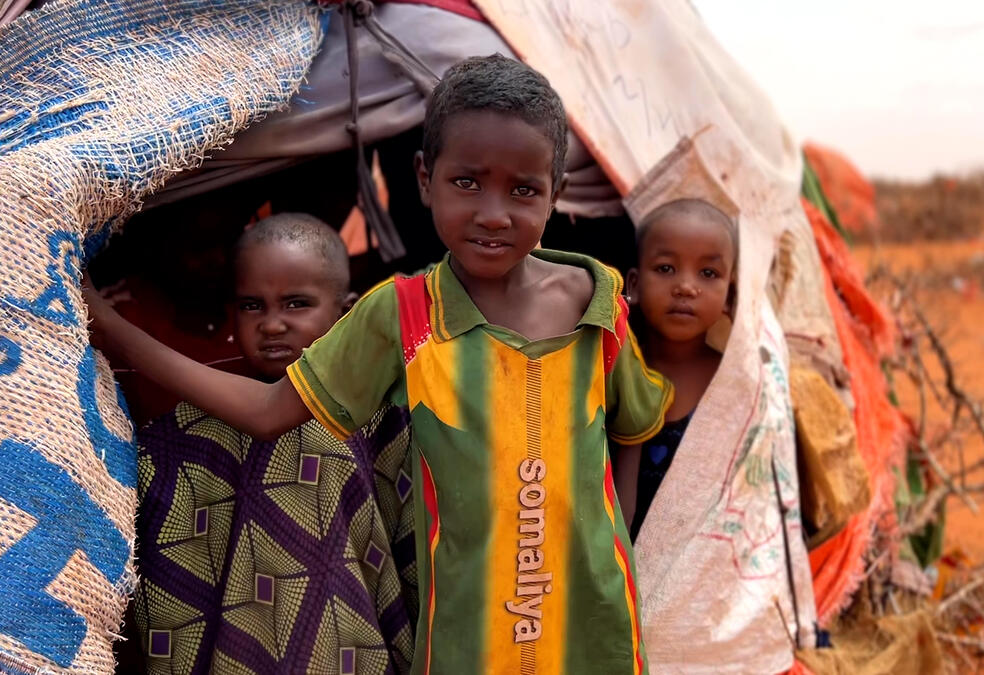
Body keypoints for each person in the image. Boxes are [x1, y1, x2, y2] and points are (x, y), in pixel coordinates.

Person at [86, 55, 671, 674]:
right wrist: (110, 328)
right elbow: (266, 411)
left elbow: (630, 426)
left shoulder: (598, 301)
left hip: (594, 623)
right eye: (467, 182)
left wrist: (618, 541)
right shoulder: (402, 312)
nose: (493, 213)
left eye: (523, 190)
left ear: (556, 191)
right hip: (467, 637)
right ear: (424, 179)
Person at [128, 213, 417, 673]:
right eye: (252, 306)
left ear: (346, 311)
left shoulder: (378, 410)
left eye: (296, 303)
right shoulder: (183, 432)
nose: (272, 324)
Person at [614, 199, 737, 542]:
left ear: (729, 297)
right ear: (634, 285)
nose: (686, 286)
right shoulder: (615, 372)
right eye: (666, 268)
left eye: (708, 273)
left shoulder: (735, 385)